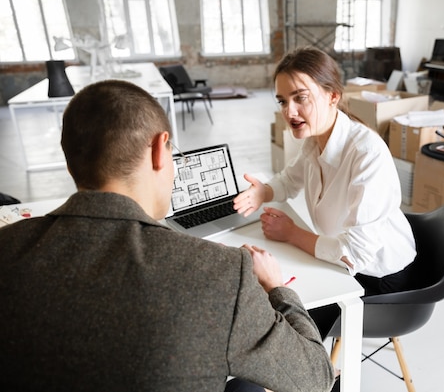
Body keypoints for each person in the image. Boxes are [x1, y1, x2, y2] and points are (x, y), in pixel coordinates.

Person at [0, 80, 335, 392]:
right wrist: (278, 289)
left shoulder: (7, 248)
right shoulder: (221, 273)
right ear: (161, 150)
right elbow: (314, 377)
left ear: (71, 160)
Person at [233, 46, 417, 338]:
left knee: (283, 323)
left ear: (333, 96)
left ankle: (324, 376)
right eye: (282, 101)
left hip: (380, 280)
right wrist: (263, 192)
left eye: (300, 98)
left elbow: (357, 254)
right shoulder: (314, 139)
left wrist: (292, 233)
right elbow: (289, 180)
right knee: (268, 298)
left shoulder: (366, 152)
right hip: (339, 262)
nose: (288, 112)